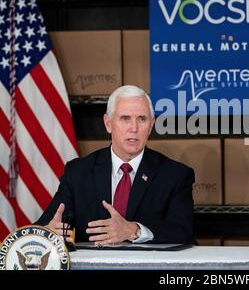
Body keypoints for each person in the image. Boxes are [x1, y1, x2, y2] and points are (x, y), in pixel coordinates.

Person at [35, 85, 195, 245]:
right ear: (108, 123)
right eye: (125, 118)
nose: (134, 128)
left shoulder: (175, 175)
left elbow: (183, 231)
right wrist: (49, 231)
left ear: (151, 125)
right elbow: (44, 225)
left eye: (142, 119)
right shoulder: (78, 172)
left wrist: (134, 230)